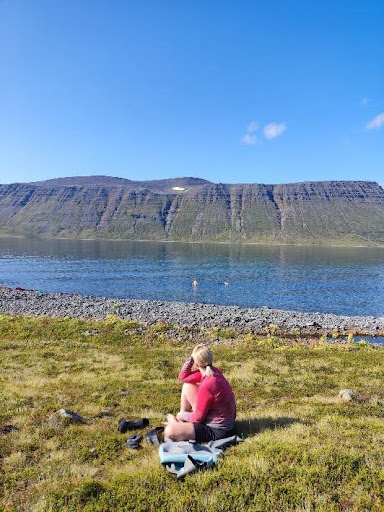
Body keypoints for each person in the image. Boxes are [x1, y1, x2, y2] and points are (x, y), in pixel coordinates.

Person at [164, 344, 236, 442]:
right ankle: (182, 424)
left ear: (196, 364)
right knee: (187, 385)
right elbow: (183, 377)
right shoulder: (213, 372)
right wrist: (192, 357)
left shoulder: (207, 384)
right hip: (223, 421)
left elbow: (198, 417)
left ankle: (179, 424)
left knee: (169, 431)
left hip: (218, 430)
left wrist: (182, 414)